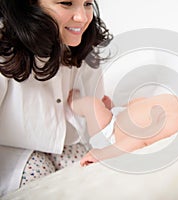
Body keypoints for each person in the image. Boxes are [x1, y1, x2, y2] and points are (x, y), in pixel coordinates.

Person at [0, 0, 112, 196]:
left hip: (62, 144)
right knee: (38, 175)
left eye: (87, 3)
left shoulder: (83, 45)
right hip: (9, 150)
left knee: (96, 172)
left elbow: (95, 120)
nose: (82, 17)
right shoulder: (5, 47)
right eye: (66, 3)